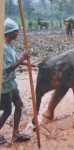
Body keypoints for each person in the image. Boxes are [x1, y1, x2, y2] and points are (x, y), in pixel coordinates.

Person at [0, 18, 38, 146]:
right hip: (4, 85)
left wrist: (32, 64)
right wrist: (23, 57)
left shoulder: (9, 46)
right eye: (15, 31)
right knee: (7, 111)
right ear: (9, 32)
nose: (17, 34)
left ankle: (15, 133)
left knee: (19, 105)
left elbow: (18, 61)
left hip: (12, 84)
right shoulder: (3, 49)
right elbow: (9, 68)